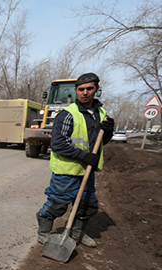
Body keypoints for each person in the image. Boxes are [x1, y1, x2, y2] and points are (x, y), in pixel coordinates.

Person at [36, 73, 115, 247]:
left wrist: (108, 131)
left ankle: (77, 232)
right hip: (67, 170)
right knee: (58, 203)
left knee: (87, 204)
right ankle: (43, 232)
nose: (85, 92)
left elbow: (101, 142)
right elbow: (58, 144)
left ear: (96, 90)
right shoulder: (67, 115)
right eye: (81, 89)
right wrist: (84, 156)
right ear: (76, 91)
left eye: (89, 88)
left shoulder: (101, 114)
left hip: (87, 169)